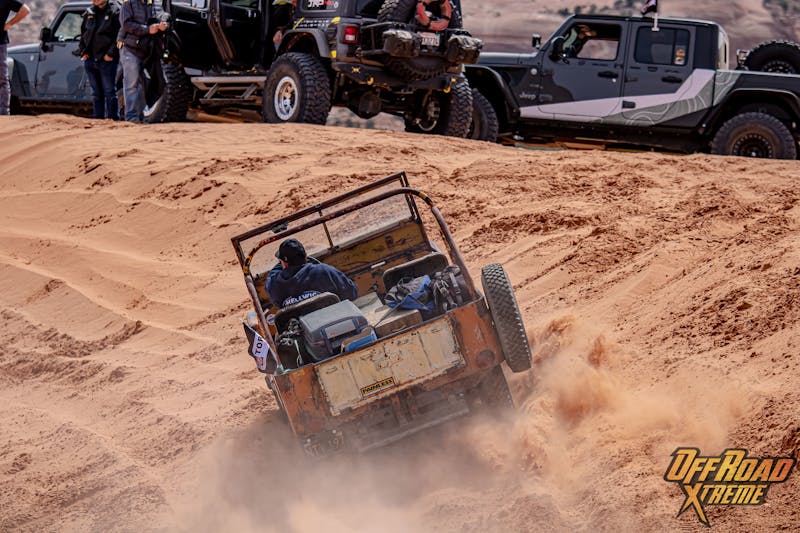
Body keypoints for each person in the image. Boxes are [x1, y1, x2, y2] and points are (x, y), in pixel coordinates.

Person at [266, 238, 358, 308]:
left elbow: (271, 279)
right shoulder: (324, 271)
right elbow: (352, 293)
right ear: (305, 256)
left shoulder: (276, 284)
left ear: (284, 264)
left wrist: (282, 264)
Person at [118, 0, 167, 122]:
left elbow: (162, 16)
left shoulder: (155, 3)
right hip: (130, 49)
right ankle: (131, 117)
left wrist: (163, 24)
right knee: (131, 84)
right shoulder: (128, 3)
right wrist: (147, 29)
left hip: (148, 51)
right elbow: (126, 24)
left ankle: (139, 116)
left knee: (145, 84)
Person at [79, 0, 121, 120]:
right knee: (96, 93)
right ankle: (98, 120)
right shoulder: (89, 12)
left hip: (107, 60)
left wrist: (110, 54)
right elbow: (83, 34)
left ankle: (113, 119)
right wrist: (83, 51)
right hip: (90, 59)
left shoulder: (115, 11)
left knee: (109, 91)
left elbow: (120, 35)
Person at [0, 0, 30, 115]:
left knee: (2, 78)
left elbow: (25, 10)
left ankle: (3, 111)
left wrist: (9, 24)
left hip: (0, 42)